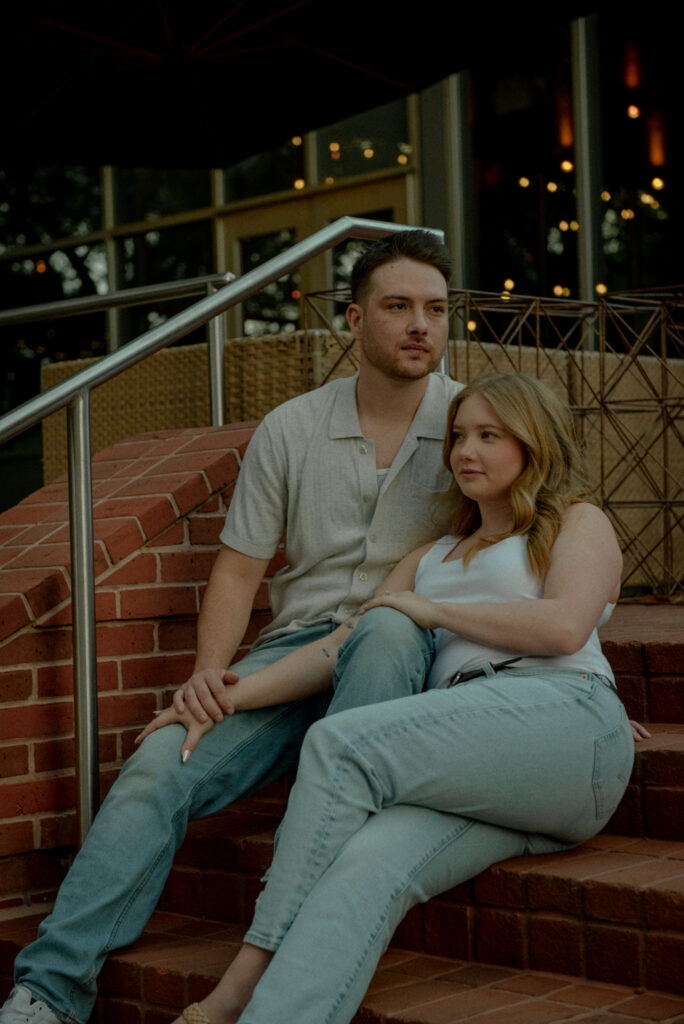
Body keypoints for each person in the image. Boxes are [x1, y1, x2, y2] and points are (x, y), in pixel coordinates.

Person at [1, 230, 462, 1024]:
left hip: (408, 658)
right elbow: (240, 570)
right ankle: (48, 991)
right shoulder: (291, 427)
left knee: (384, 634)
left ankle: (290, 955)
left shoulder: (471, 422)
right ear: (352, 321)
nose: (420, 324)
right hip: (291, 658)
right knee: (156, 763)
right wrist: (209, 677)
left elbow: (535, 546)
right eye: (398, 307)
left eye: (435, 309)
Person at [164, 371, 638, 1024]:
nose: (465, 451)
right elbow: (337, 649)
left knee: (335, 742)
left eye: (489, 436)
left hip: (563, 718)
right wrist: (220, 698)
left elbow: (563, 626)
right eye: (459, 436)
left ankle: (244, 977)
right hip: (479, 759)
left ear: (534, 444)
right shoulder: (432, 554)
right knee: (362, 866)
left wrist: (432, 610)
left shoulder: (576, 523)